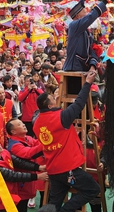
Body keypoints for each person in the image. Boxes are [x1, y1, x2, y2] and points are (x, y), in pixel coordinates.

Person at [33, 71, 100, 212]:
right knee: (93, 189)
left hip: (53, 170)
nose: (56, 96)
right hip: (68, 170)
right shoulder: (61, 117)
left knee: (54, 202)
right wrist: (87, 83)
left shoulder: (37, 123)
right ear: (50, 106)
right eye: (53, 97)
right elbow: (80, 103)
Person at [63, 0, 114, 71]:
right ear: (77, 16)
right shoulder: (73, 25)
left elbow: (92, 50)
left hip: (83, 69)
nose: (86, 12)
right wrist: (105, 0)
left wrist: (92, 65)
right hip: (73, 69)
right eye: (84, 11)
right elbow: (90, 17)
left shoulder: (86, 32)